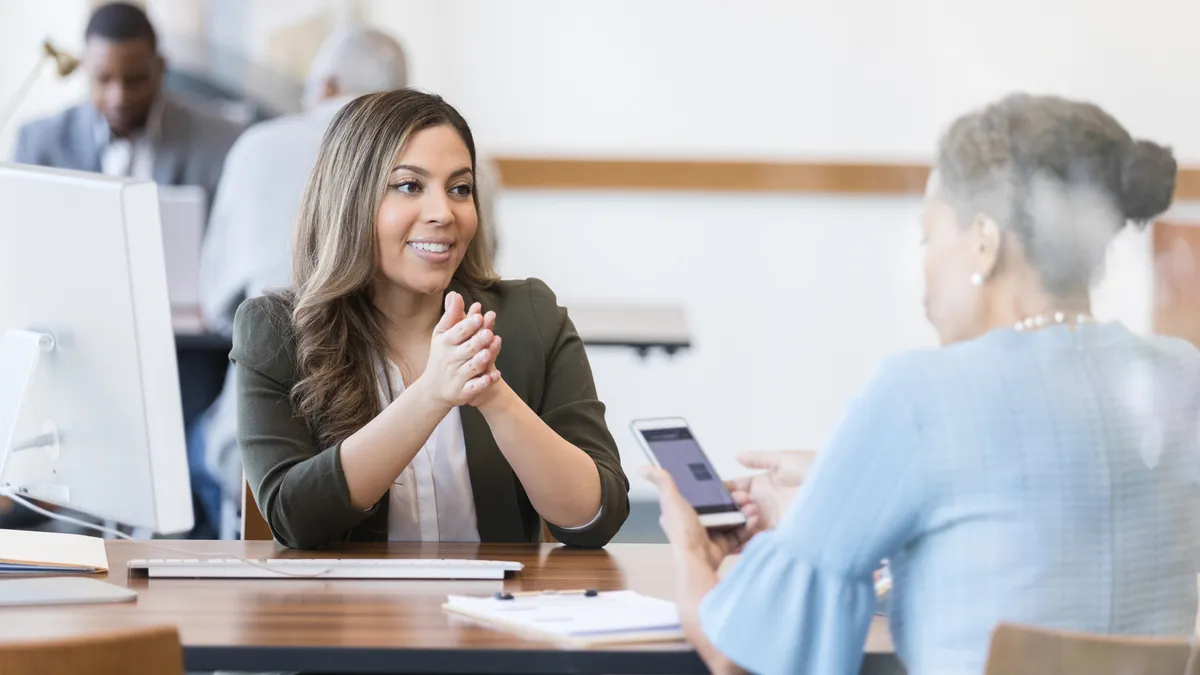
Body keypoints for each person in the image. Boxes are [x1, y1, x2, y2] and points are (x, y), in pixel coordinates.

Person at [645, 93, 1200, 675]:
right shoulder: (1179, 376)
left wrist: (689, 546)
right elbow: (1052, 533)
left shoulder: (919, 394)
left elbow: (737, 655)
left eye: (928, 238)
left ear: (984, 242)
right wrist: (842, 484)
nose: (926, 267)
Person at [232, 89, 628, 549]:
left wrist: (493, 395)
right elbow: (292, 519)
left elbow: (595, 518)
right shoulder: (275, 330)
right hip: (346, 616)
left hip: (494, 612)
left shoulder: (531, 317)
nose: (444, 213)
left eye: (460, 189)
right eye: (409, 186)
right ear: (349, 199)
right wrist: (431, 394)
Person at [192, 27, 410, 537]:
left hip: (276, 427)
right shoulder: (463, 164)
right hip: (416, 409)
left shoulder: (259, 146)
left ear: (327, 84)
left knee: (202, 440)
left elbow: (216, 304)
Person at [12, 2, 242, 211]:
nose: (119, 97)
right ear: (85, 70)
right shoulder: (39, 144)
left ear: (161, 68)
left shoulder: (221, 141)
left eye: (136, 80)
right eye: (103, 79)